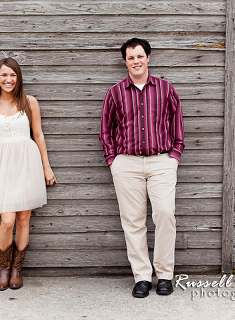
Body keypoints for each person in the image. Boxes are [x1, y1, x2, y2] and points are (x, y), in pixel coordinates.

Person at [99, 38, 184, 298]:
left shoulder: (166, 89)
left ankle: (165, 275)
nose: (136, 61)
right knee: (133, 221)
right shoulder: (115, 93)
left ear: (148, 58)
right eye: (130, 57)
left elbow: (177, 123)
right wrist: (113, 160)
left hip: (161, 161)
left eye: (140, 56)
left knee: (165, 214)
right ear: (125, 62)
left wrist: (174, 154)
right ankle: (142, 277)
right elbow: (106, 130)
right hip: (127, 164)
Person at [0, 58, 56, 291]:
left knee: (23, 220)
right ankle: (2, 267)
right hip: (1, 165)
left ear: (18, 77)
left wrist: (46, 166)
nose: (8, 80)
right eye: (4, 75)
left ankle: (16, 269)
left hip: (27, 163)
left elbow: (38, 135)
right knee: (7, 220)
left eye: (13, 75)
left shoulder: (29, 102)